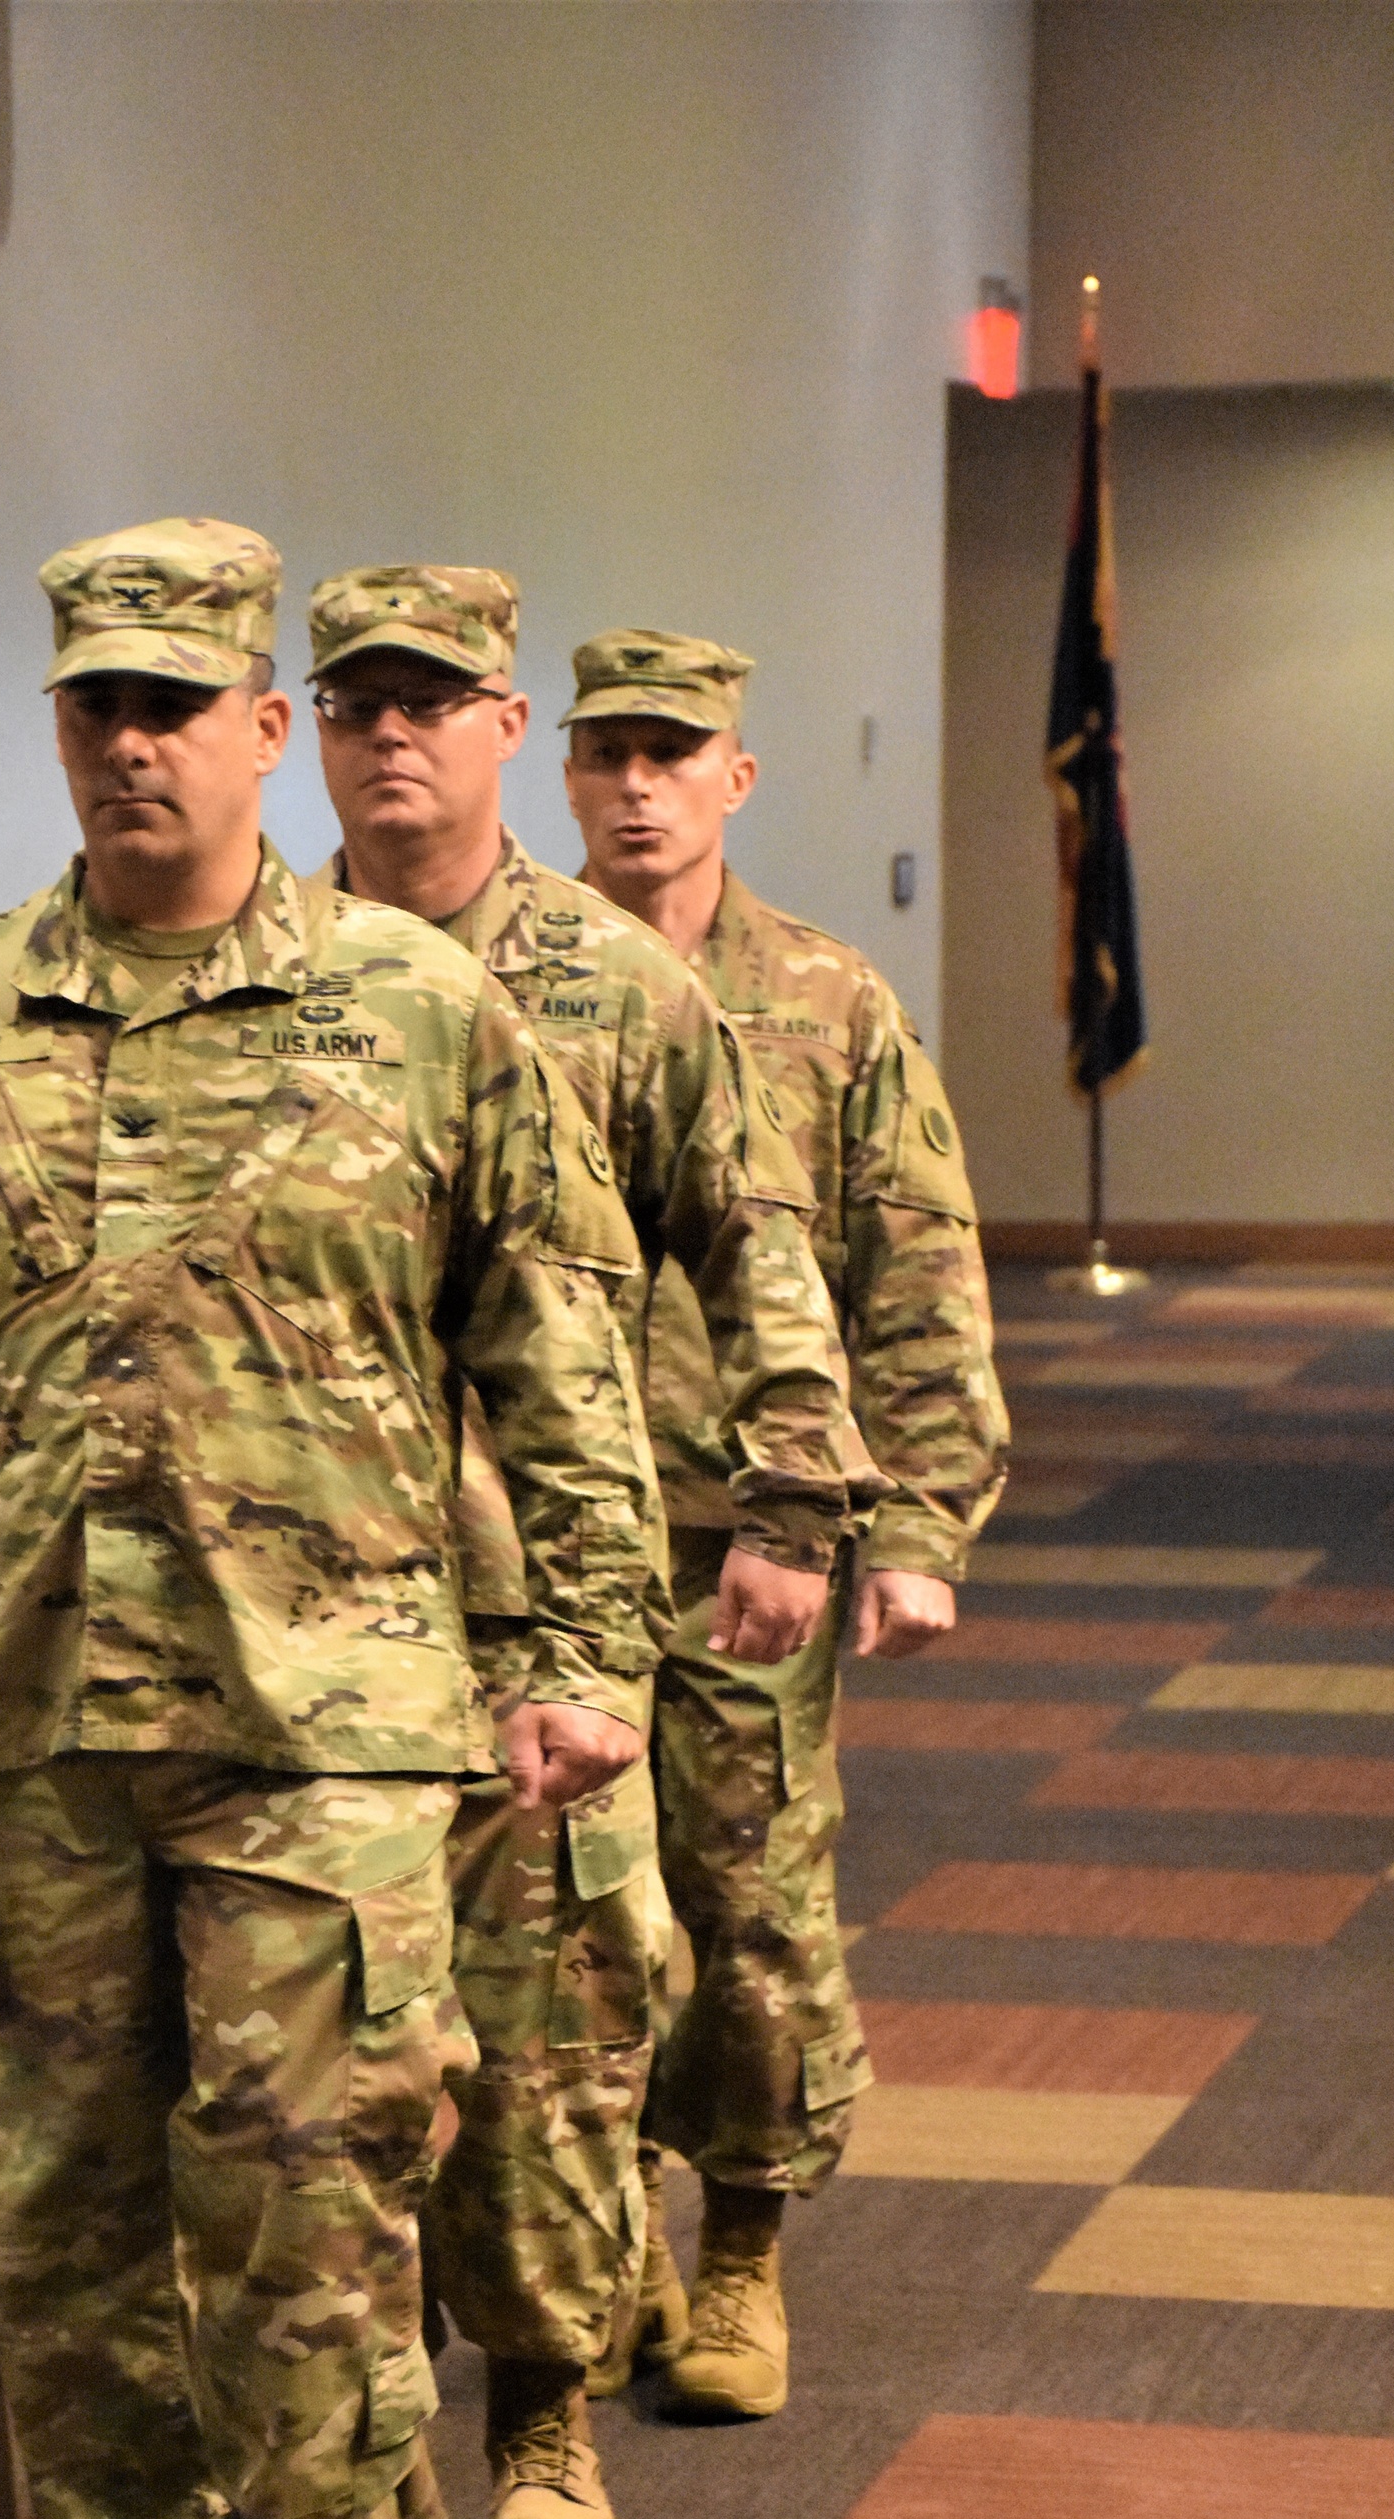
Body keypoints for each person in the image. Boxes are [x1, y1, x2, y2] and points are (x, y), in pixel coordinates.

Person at [0, 518, 677, 2519]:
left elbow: (558, 1352)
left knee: (307, 2202)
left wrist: (582, 1657)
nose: (139, 743)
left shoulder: (414, 1012)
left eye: (182, 702)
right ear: (59, 730)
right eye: (101, 707)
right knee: (57, 2215)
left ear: (268, 731)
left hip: (336, 1724)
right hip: (39, 1732)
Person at [303, 565, 860, 2519]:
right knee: (326, 2064)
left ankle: (542, 2417)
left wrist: (800, 1504)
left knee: (553, 2034)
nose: (392, 738)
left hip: (554, 1593)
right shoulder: (243, 978)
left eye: (431, 702)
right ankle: (355, 2445)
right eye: (354, 701)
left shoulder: (617, 992)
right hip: (301, 1622)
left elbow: (757, 1248)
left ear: (500, 727)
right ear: (303, 730)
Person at [562, 626, 1008, 2416]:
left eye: (678, 753)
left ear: (736, 777)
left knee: (744, 1903)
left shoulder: (825, 1001)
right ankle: (600, 2253)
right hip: (537, 1535)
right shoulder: (503, 987)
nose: (643, 784)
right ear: (566, 775)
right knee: (562, 1923)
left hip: (758, 1528)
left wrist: (916, 1523)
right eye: (612, 754)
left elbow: (916, 1261)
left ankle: (740, 2252)